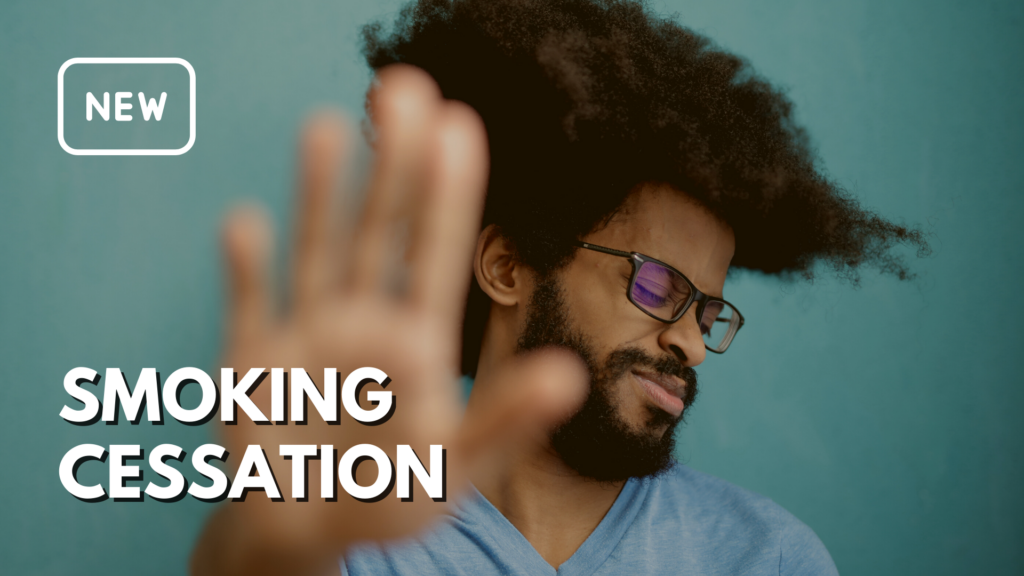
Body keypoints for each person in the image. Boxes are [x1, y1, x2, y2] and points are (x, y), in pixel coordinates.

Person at [192, 0, 926, 574]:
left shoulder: (766, 559)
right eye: (660, 284)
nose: (691, 346)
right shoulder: (353, 537)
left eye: (709, 313)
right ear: (508, 266)